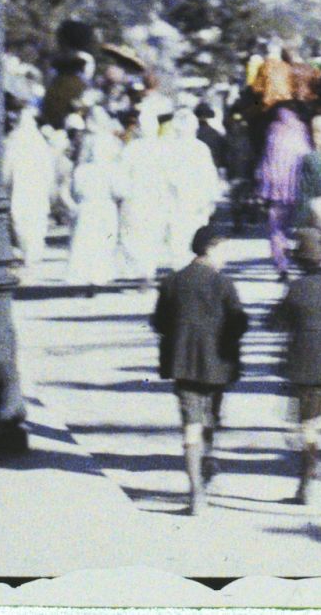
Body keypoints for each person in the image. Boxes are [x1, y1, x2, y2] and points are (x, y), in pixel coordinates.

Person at [151, 226, 249, 515]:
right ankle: (207, 460)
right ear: (211, 248)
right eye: (224, 250)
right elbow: (240, 323)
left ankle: (196, 493)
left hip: (182, 364)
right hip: (218, 365)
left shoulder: (172, 281)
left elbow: (159, 322)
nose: (227, 256)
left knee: (190, 425)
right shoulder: (223, 284)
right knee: (210, 417)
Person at [271, 228, 321, 506]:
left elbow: (277, 321)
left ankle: (306, 480)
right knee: (311, 418)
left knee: (305, 424)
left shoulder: (296, 287)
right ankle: (309, 469)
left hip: (301, 359)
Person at [158, 108, 227, 271]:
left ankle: (180, 270)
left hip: (176, 202)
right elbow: (210, 176)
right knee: (194, 236)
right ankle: (192, 269)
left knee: (177, 238)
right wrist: (211, 199)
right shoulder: (200, 148)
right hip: (196, 202)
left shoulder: (167, 148)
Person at [66, 117, 125, 292]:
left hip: (85, 209)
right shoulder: (112, 169)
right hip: (105, 208)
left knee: (82, 244)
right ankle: (98, 278)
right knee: (103, 245)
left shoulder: (81, 170)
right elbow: (120, 191)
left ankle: (78, 279)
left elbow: (74, 190)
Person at [115, 110, 172, 282]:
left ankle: (136, 272)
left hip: (135, 198)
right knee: (153, 235)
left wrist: (121, 194)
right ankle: (148, 271)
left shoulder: (132, 148)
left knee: (134, 235)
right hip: (157, 198)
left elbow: (121, 174)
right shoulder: (164, 148)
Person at [257, 104, 314, 279]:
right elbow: (307, 156)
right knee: (301, 226)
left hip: (276, 191)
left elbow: (267, 162)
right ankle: (306, 259)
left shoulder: (274, 131)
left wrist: (262, 190)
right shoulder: (301, 131)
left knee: (276, 228)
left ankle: (281, 264)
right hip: (298, 189)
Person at [6, 108, 56, 270]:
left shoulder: (12, 141)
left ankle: (25, 253)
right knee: (37, 221)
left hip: (19, 189)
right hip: (38, 190)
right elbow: (49, 169)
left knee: (20, 221)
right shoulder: (40, 142)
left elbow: (5, 170)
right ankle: (33, 254)